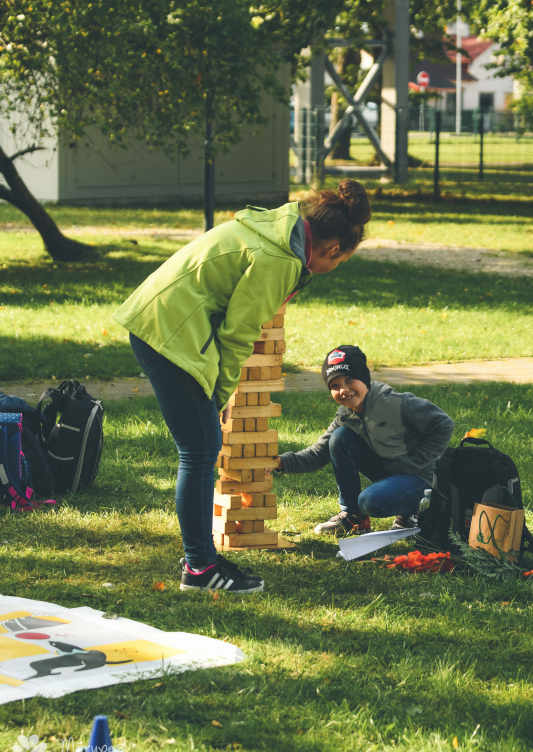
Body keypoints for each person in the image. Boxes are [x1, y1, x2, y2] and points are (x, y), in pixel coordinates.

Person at [112, 182, 371, 593]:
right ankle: (199, 568)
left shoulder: (277, 228)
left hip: (161, 321)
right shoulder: (279, 258)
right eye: (340, 261)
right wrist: (219, 395)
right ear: (334, 250)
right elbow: (239, 333)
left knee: (202, 445)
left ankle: (203, 559)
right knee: (199, 451)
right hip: (170, 332)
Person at [269, 345, 454, 535]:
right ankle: (353, 517)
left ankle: (416, 511)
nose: (344, 390)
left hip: (420, 478)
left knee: (370, 501)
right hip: (392, 473)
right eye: (335, 385)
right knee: (339, 437)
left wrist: (416, 462)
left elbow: (444, 424)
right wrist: (279, 462)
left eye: (349, 379)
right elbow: (318, 453)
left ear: (364, 378)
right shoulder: (346, 416)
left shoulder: (397, 403)